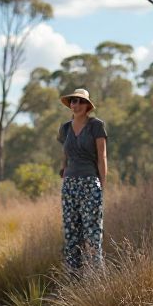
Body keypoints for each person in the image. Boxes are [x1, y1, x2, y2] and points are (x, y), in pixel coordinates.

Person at [57, 88, 107, 269]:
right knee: (71, 235)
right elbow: (65, 153)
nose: (75, 105)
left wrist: (102, 186)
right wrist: (63, 171)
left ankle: (96, 282)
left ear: (87, 105)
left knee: (92, 234)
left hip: (90, 182)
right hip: (70, 184)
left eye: (79, 101)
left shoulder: (96, 126)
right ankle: (73, 280)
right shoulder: (65, 128)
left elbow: (102, 157)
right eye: (73, 101)